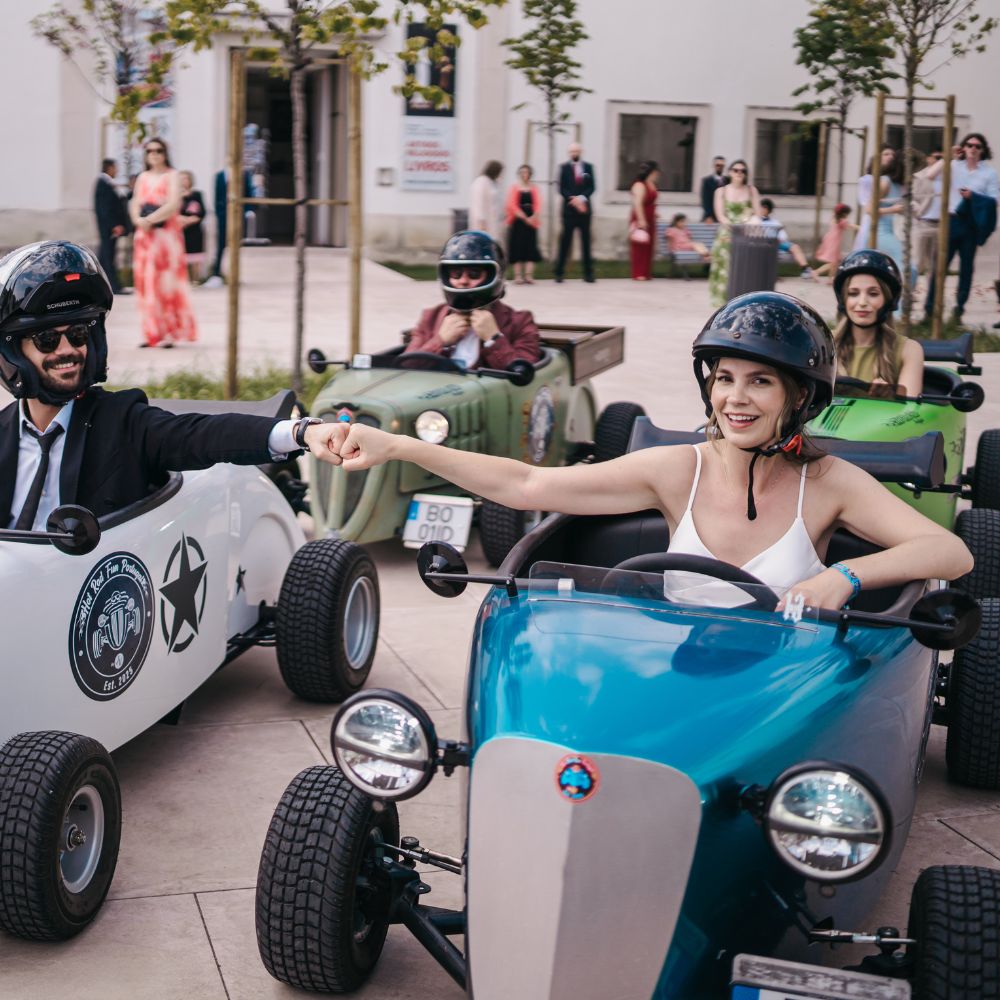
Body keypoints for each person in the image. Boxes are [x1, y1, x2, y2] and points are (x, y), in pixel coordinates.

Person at [329, 291, 971, 610]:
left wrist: (843, 577)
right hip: (673, 675)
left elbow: (950, 552)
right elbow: (526, 485)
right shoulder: (678, 468)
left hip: (779, 693)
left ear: (798, 396)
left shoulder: (827, 481)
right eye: (724, 378)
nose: (735, 398)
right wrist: (399, 446)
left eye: (760, 381)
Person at [0, 241, 346, 531]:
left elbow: (204, 435)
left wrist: (302, 433)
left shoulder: (124, 422)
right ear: (13, 353)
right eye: (46, 340)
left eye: (78, 335)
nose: (67, 351)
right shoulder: (2, 432)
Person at [404, 231, 541, 370]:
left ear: (493, 275)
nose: (463, 281)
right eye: (456, 274)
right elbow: (405, 368)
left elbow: (524, 373)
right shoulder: (430, 317)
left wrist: (494, 339)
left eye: (474, 274)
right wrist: (440, 341)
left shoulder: (520, 321)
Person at [922, 132, 999, 322]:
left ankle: (958, 311)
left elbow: (995, 200)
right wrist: (948, 155)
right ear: (963, 147)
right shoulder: (953, 166)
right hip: (951, 220)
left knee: (966, 269)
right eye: (969, 145)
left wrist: (974, 197)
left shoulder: (989, 173)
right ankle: (930, 310)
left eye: (977, 146)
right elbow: (930, 175)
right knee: (940, 267)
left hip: (970, 224)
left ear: (983, 150)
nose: (973, 149)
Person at [129, 137, 197, 348]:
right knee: (146, 284)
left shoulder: (172, 175)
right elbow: (135, 202)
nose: (154, 154)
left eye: (158, 150)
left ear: (165, 153)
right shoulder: (143, 177)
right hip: (145, 237)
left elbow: (173, 204)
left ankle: (168, 332)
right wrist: (138, 221)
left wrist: (149, 220)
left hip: (165, 238)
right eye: (150, 151)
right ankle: (150, 332)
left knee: (166, 285)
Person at [832, 249, 923, 398]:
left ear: (888, 300)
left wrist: (888, 398)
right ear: (843, 300)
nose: (862, 302)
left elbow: (910, 408)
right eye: (853, 293)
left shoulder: (909, 350)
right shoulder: (823, 343)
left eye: (873, 294)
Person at [707, 160, 762, 308]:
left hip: (747, 233)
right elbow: (720, 216)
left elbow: (757, 214)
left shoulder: (752, 190)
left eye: (743, 171)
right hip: (727, 234)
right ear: (730, 172)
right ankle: (723, 305)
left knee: (745, 269)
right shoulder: (721, 191)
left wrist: (748, 224)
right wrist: (734, 228)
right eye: (736, 170)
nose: (739, 173)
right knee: (725, 269)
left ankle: (744, 302)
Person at [554, 142, 596, 283]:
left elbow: (592, 187)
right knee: (565, 242)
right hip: (569, 211)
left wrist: (581, 199)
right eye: (572, 151)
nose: (574, 154)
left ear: (581, 151)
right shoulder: (564, 168)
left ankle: (588, 273)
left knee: (586, 242)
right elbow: (561, 188)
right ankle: (559, 273)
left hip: (585, 211)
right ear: (569, 153)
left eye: (576, 151)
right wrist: (573, 199)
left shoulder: (588, 167)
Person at [205, 166, 254, 288]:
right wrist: (219, 213)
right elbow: (217, 196)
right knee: (221, 244)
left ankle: (234, 275)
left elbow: (249, 194)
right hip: (223, 215)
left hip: (238, 214)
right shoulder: (220, 176)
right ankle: (217, 274)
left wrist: (247, 211)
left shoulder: (244, 174)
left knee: (235, 245)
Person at [93, 158, 131, 295]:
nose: (117, 170)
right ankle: (113, 286)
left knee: (105, 257)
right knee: (108, 257)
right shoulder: (103, 183)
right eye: (115, 167)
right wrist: (114, 225)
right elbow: (106, 208)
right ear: (109, 168)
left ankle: (101, 285)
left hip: (109, 228)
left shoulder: (107, 183)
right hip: (108, 229)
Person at [755, 198, 814, 277]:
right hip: (763, 244)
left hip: (777, 243)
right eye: (762, 207)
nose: (763, 210)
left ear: (769, 210)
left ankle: (805, 269)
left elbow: (783, 236)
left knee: (795, 247)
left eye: (765, 208)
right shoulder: (755, 221)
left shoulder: (775, 222)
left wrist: (777, 240)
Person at [505, 164, 542, 284]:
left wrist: (534, 216)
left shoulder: (534, 188)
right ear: (519, 174)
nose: (524, 174)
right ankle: (517, 276)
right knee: (517, 247)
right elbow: (511, 205)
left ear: (530, 174)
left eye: (526, 172)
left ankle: (528, 275)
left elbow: (538, 204)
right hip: (518, 221)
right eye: (522, 172)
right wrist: (525, 218)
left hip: (532, 222)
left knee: (531, 247)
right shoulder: (514, 187)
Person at [853, 147, 895, 252]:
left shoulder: (893, 180)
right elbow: (867, 205)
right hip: (873, 222)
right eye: (886, 154)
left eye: (893, 155)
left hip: (890, 223)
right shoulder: (868, 180)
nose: (891, 157)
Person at [628, 161, 659, 280]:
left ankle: (646, 272)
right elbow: (637, 204)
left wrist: (655, 213)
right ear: (652, 172)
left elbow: (651, 201)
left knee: (649, 246)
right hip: (641, 217)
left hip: (651, 218)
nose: (657, 174)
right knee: (640, 245)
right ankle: (639, 273)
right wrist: (641, 220)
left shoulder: (651, 184)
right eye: (656, 172)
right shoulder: (639, 185)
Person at [811, 203, 857, 280]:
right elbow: (851, 226)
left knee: (835, 262)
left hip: (830, 240)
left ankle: (830, 278)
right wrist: (861, 227)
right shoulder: (842, 221)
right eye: (847, 214)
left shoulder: (835, 219)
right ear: (844, 213)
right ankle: (817, 272)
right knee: (834, 262)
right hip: (833, 242)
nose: (848, 215)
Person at [178, 170, 207, 283]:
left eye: (185, 178)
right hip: (180, 230)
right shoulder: (176, 196)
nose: (183, 181)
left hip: (195, 230)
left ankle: (195, 279)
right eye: (181, 179)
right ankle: (184, 280)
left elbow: (202, 212)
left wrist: (190, 220)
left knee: (195, 256)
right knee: (182, 256)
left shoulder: (197, 195)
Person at [469, 160, 503, 240]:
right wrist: (481, 222)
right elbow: (478, 203)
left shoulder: (492, 182)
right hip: (483, 223)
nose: (500, 174)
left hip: (492, 221)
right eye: (499, 172)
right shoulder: (481, 181)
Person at [700, 156, 728, 223]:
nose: (720, 167)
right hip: (711, 217)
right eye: (718, 165)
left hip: (725, 216)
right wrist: (708, 216)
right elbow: (705, 200)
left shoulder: (728, 180)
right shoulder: (706, 181)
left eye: (722, 165)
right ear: (713, 166)